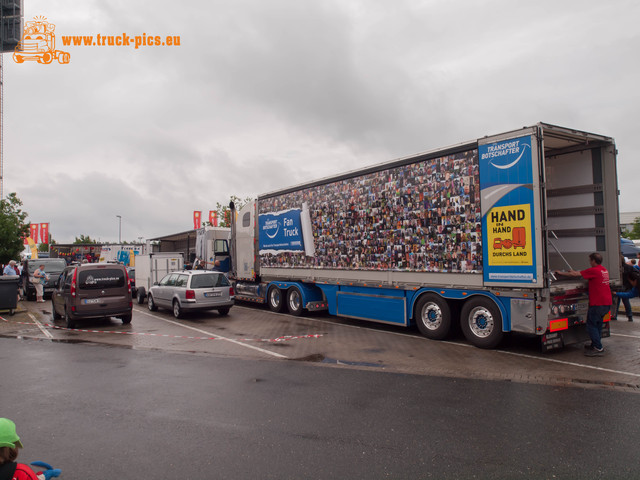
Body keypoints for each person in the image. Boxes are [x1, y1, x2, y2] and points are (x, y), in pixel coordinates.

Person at [555, 253, 611, 356]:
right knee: (598, 324)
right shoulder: (603, 270)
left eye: (590, 260)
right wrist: (574, 272)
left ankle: (598, 348)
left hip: (598, 303)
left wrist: (560, 273)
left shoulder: (594, 270)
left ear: (593, 261)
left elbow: (575, 275)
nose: (589, 262)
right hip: (606, 302)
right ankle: (595, 344)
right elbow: (578, 273)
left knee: (591, 325)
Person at [613, 255, 635, 321]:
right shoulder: (629, 267)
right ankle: (629, 316)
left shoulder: (615, 268)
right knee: (626, 301)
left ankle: (614, 315)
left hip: (617, 285)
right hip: (626, 286)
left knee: (616, 301)